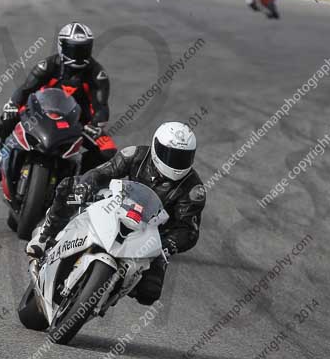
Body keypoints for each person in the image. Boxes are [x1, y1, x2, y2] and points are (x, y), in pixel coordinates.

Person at [26, 122, 206, 306]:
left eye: (182, 157)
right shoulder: (136, 155)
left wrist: (167, 245)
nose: (175, 162)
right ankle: (45, 234)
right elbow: (103, 172)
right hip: (118, 207)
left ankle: (115, 287)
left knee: (149, 293)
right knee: (68, 188)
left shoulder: (194, 189)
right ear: (155, 146)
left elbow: (189, 230)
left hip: (153, 235)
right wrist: (86, 185)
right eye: (170, 154)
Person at [0, 22, 115, 183]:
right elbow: (25, 89)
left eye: (83, 49)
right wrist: (12, 105)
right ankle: (2, 163)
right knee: (7, 119)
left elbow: (101, 106)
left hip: (76, 123)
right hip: (39, 115)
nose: (78, 55)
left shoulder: (97, 74)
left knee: (108, 149)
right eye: (74, 49)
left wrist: (95, 124)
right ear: (61, 46)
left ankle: (78, 180)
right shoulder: (47, 65)